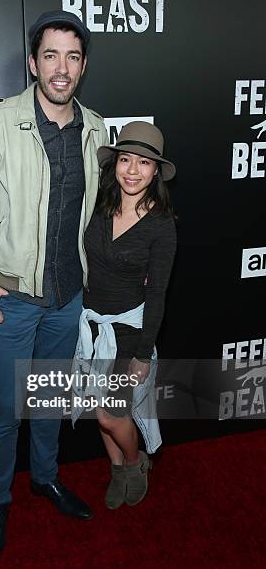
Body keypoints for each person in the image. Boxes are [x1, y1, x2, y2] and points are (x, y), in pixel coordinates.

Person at [0, 10, 109, 562]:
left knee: (49, 402)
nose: (60, 68)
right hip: (12, 298)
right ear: (33, 63)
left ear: (83, 66)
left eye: (72, 56)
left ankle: (45, 478)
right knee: (5, 411)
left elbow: (95, 213)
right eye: (50, 55)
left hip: (68, 298)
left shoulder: (96, 128)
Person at [74, 121, 177, 510]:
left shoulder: (162, 227)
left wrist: (142, 354)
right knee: (99, 408)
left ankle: (135, 463)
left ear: (156, 171)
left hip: (129, 332)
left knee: (107, 414)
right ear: (115, 163)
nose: (132, 171)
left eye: (144, 163)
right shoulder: (99, 205)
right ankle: (117, 467)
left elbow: (158, 293)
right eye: (126, 159)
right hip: (91, 326)